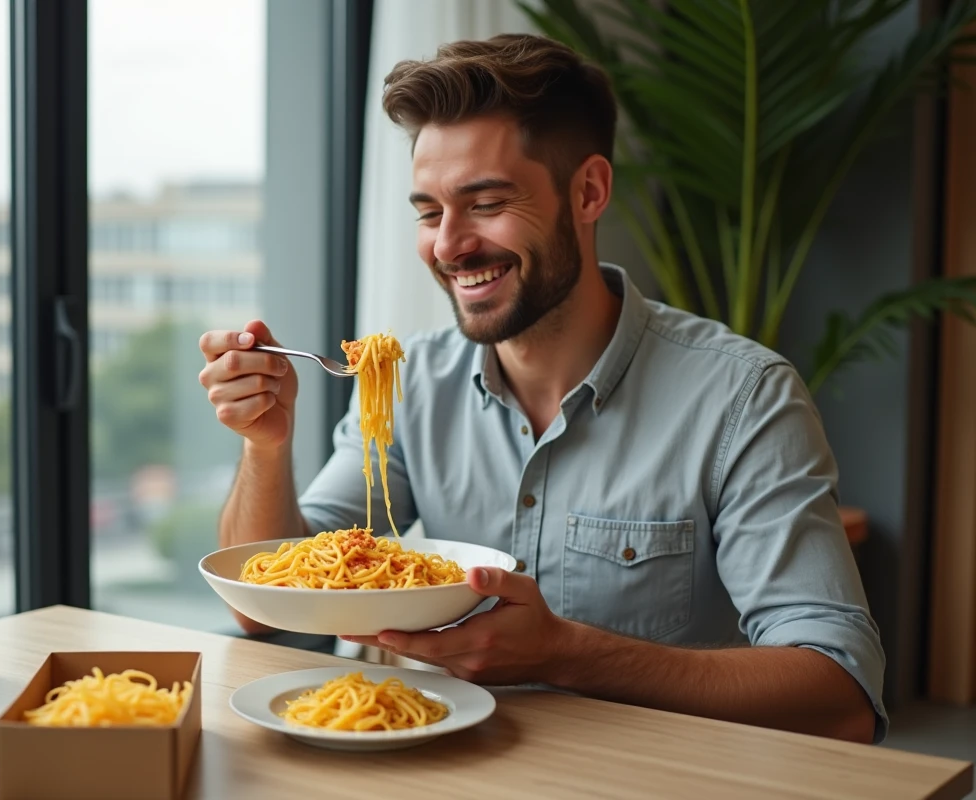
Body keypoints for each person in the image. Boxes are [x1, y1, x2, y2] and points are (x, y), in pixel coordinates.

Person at [197, 33, 886, 744]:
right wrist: (266, 445)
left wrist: (567, 654)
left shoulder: (744, 398)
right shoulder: (407, 383)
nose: (447, 245)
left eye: (486, 202)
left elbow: (842, 694)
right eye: (429, 213)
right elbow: (269, 599)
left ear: (588, 192)